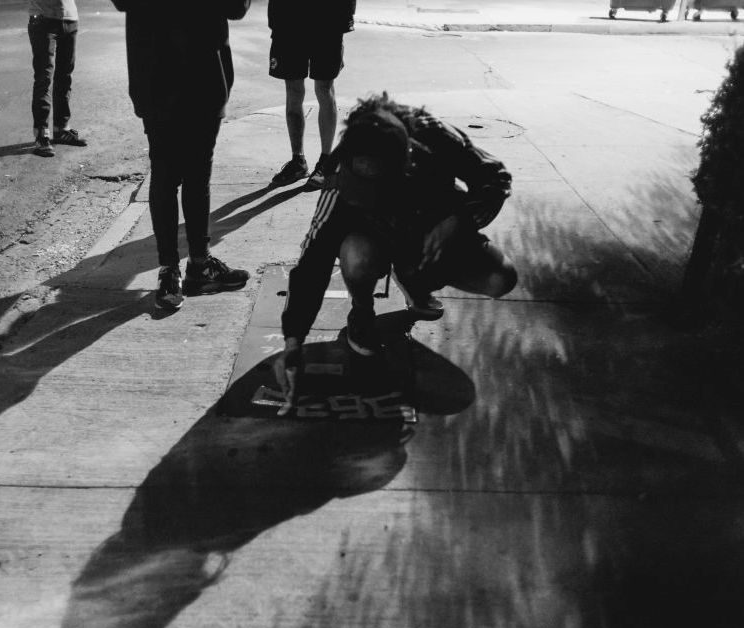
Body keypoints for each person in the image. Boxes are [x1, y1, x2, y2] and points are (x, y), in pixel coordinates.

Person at [275, 93, 518, 410]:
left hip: (425, 230)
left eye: (374, 190)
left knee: (500, 279)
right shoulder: (339, 172)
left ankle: (412, 277)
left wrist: (459, 220)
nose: (365, 198)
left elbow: (495, 177)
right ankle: (361, 315)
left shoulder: (434, 136)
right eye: (359, 189)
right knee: (355, 251)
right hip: (372, 240)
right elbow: (313, 263)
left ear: (406, 164)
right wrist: (293, 341)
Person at [113, 0, 252, 311]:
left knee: (177, 174)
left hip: (166, 75)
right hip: (189, 75)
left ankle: (180, 268)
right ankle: (184, 267)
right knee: (180, 174)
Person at [268, 0, 356, 190]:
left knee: (323, 89)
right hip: (288, 21)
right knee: (293, 90)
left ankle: (326, 162)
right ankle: (298, 161)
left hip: (327, 21)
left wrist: (346, 18)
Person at [28, 0, 87, 157]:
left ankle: (61, 129)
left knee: (65, 76)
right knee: (44, 78)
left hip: (70, 18)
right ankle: (41, 135)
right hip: (43, 19)